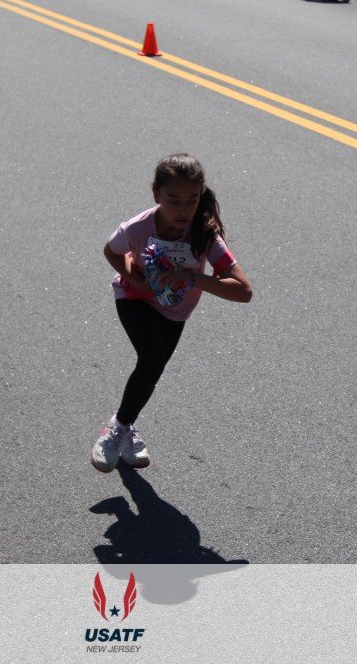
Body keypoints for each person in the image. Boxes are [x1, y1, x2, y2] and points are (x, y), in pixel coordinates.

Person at [91, 153, 253, 473]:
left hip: (175, 309)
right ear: (156, 194)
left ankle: (126, 427)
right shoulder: (137, 228)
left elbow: (243, 290)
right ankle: (115, 431)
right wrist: (137, 280)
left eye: (192, 201)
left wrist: (192, 278)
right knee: (151, 360)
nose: (183, 210)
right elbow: (112, 251)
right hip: (135, 298)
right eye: (173, 200)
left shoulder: (204, 235)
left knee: (152, 370)